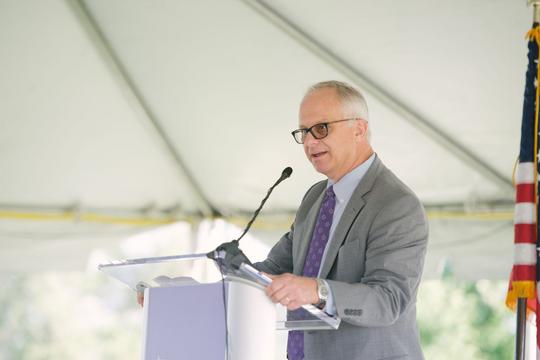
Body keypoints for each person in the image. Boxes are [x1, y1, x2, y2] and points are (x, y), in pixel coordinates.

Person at [254, 80, 428, 360]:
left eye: (321, 129)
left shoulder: (396, 205)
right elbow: (273, 269)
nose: (310, 142)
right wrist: (230, 271)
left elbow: (388, 300)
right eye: (304, 132)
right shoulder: (315, 198)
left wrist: (316, 290)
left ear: (359, 128)